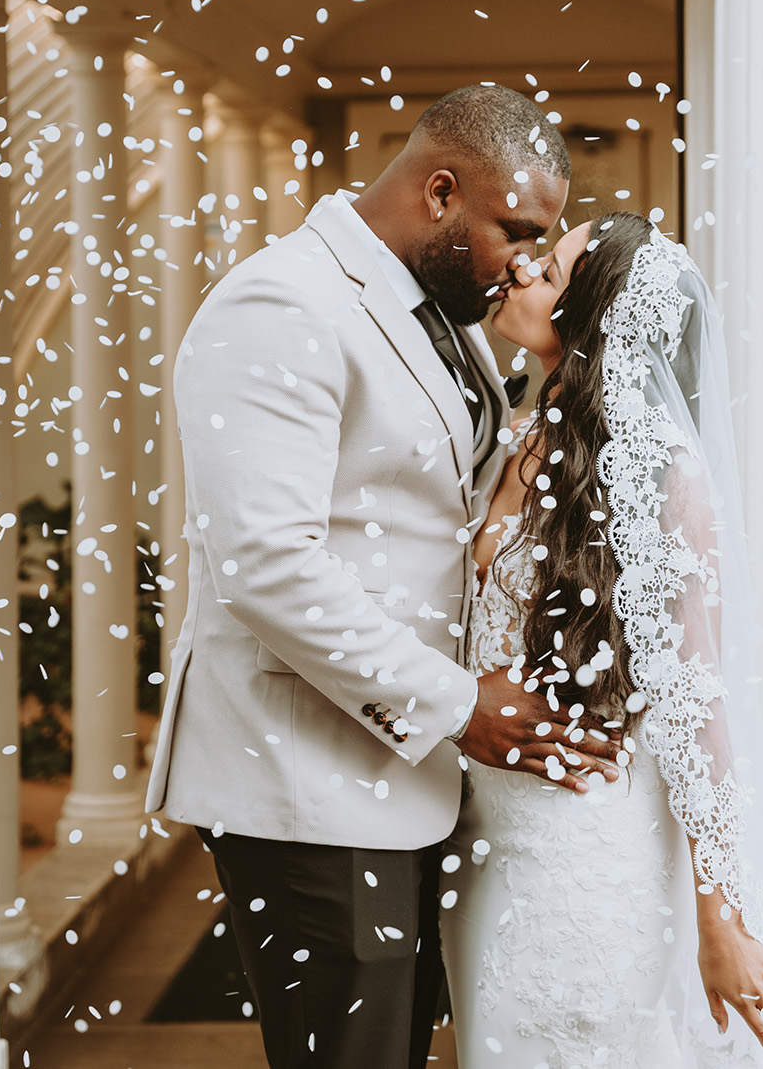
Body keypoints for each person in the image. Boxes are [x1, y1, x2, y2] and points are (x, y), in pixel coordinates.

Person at [145, 85, 622, 1069]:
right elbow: (262, 563)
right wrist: (454, 702)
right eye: (514, 230)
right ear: (439, 191)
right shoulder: (280, 303)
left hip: (399, 776)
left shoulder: (442, 311)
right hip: (307, 774)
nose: (527, 262)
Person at [442, 211, 763, 1067]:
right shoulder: (519, 435)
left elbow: (696, 708)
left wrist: (719, 919)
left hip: (588, 859)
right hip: (490, 845)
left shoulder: (666, 482)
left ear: (597, 319)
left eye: (555, 271)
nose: (524, 270)